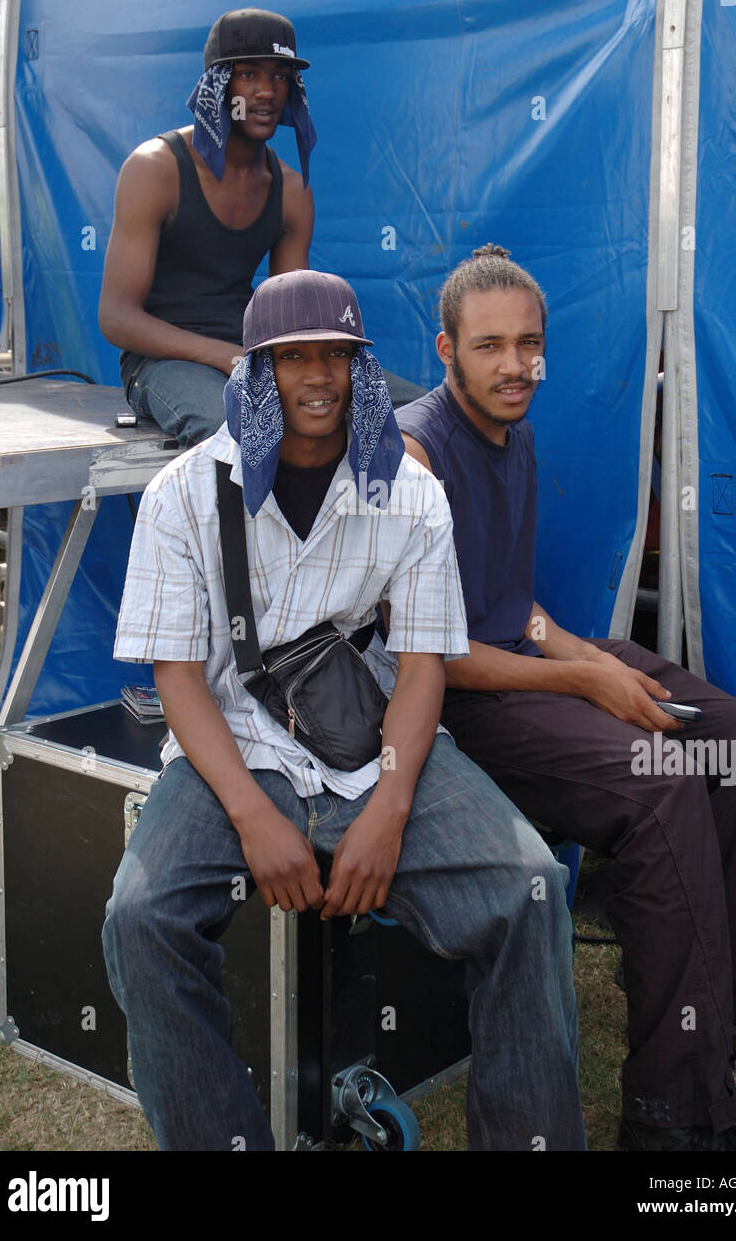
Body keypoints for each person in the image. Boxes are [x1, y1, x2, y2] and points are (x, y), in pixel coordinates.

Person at [102, 268, 585, 1152]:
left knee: (534, 890)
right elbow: (177, 677)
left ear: (363, 368)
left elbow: (423, 663)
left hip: (374, 748)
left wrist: (390, 811)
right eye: (292, 358)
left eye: (338, 355)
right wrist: (252, 816)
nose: (317, 376)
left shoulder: (409, 490)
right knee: (140, 920)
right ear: (256, 371)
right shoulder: (181, 493)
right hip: (231, 753)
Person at [395, 243, 736, 1154]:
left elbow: (514, 606)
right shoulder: (416, 453)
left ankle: (719, 1009)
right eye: (490, 345)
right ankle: (672, 1118)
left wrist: (591, 656)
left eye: (529, 344)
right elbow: (436, 649)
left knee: (727, 737)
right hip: (460, 702)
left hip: (519, 660)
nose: (514, 365)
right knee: (661, 780)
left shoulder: (517, 432)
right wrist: (587, 679)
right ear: (445, 349)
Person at [98, 8, 316, 447]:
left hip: (250, 353)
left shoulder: (291, 189)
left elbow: (288, 317)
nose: (267, 92)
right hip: (160, 361)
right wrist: (222, 356)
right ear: (216, 87)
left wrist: (313, 363)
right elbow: (117, 317)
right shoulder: (155, 169)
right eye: (249, 74)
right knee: (235, 434)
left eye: (279, 77)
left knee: (406, 409)